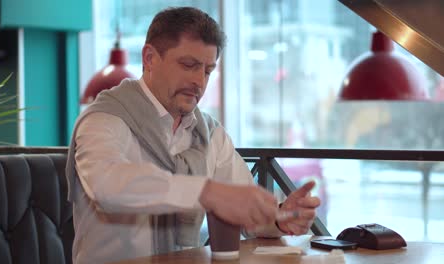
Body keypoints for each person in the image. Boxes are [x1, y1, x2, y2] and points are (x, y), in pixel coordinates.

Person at [66, 6, 320, 264]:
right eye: (189, 65)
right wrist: (206, 192)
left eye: (208, 71)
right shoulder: (104, 119)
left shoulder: (211, 134)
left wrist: (280, 218)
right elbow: (107, 186)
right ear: (150, 58)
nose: (199, 81)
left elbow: (246, 214)